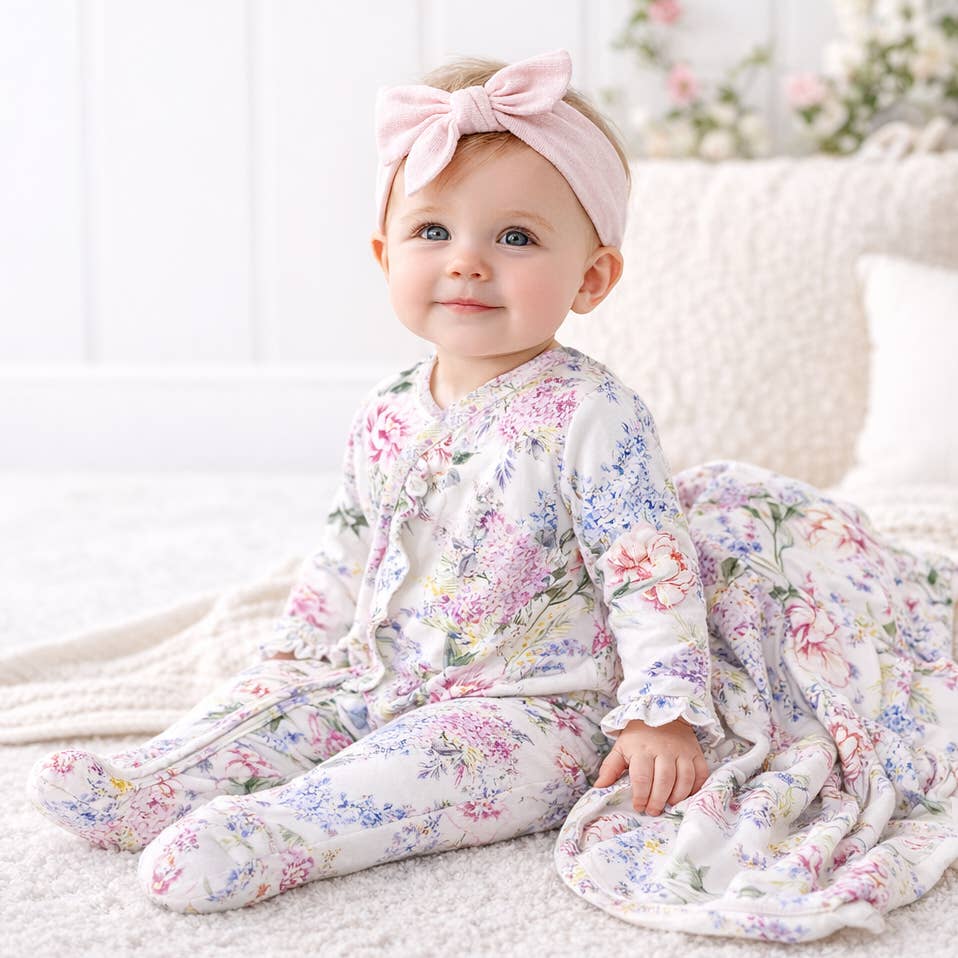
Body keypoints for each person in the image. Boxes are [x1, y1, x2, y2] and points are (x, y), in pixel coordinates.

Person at [26, 47, 720, 913]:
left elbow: (649, 571)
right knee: (277, 702)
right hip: (376, 672)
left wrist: (660, 712)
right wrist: (296, 655)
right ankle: (156, 779)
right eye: (434, 232)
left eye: (515, 238)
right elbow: (345, 547)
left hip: (534, 706)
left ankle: (276, 834)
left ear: (592, 278)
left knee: (428, 770)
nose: (467, 261)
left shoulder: (592, 413)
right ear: (385, 254)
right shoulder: (390, 407)